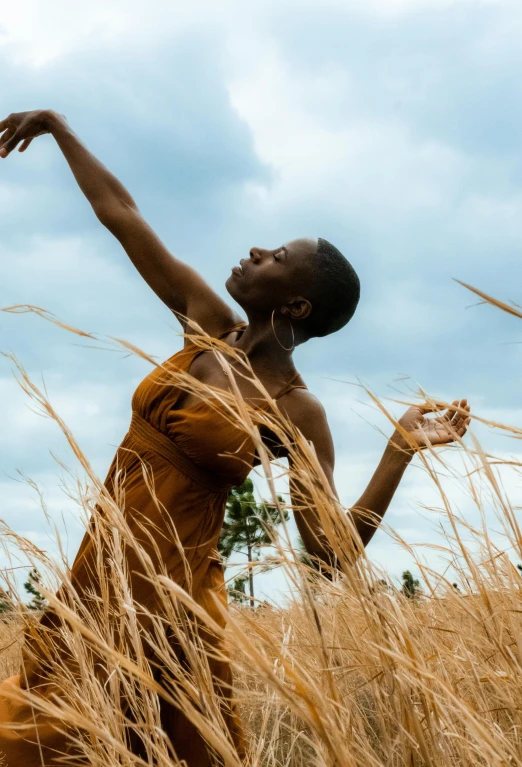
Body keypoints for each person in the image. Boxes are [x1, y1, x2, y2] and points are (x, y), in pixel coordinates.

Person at [0, 110, 471, 766]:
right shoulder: (207, 324)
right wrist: (56, 125)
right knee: (39, 738)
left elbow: (328, 550)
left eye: (278, 257)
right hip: (100, 581)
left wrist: (398, 450)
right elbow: (123, 214)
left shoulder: (296, 410)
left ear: (297, 307)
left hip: (179, 607)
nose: (256, 250)